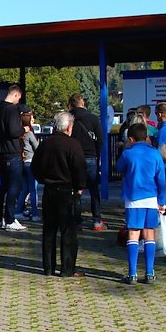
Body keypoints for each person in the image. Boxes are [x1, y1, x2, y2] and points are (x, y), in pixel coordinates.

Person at [31, 112, 88, 277]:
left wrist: (44, 179)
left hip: (49, 190)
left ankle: (48, 267)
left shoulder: (45, 144)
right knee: (68, 231)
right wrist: (80, 186)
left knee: (49, 230)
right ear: (68, 127)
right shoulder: (73, 145)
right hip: (67, 191)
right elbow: (80, 168)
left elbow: (35, 167)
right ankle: (67, 269)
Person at [115, 122, 166, 284]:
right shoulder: (156, 154)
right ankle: (150, 272)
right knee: (149, 234)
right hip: (151, 198)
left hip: (133, 198)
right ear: (147, 136)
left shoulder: (128, 153)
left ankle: (132, 273)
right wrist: (162, 201)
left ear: (130, 138)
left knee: (133, 234)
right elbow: (161, 180)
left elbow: (119, 167)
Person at [0, 84, 27, 231]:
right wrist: (24, 129)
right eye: (19, 98)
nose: (18, 101)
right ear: (15, 95)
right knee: (14, 187)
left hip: (1, 154)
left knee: (2, 187)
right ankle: (10, 219)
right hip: (13, 154)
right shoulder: (11, 110)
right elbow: (13, 131)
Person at [68, 94, 105, 231]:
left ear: (71, 104)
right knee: (94, 190)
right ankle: (97, 220)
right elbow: (100, 140)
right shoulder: (93, 118)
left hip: (74, 158)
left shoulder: (69, 119)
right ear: (82, 103)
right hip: (90, 157)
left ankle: (77, 222)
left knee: (76, 191)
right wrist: (96, 153)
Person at [16, 111, 39, 221]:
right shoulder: (29, 134)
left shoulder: (19, 134)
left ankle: (18, 211)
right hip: (31, 162)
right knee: (33, 190)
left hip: (22, 162)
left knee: (24, 189)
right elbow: (37, 147)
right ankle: (35, 214)